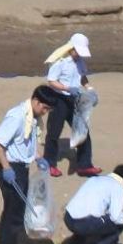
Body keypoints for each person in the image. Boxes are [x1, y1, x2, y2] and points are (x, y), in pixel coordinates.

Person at [0, 85, 61, 244]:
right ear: (36, 101)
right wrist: (6, 168)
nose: (45, 113)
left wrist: (38, 157)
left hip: (22, 168)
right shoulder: (18, 116)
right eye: (45, 108)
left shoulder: (33, 118)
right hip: (12, 170)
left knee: (10, 214)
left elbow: (27, 142)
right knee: (15, 219)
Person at [43, 34, 101, 177]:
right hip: (59, 99)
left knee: (82, 132)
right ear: (72, 48)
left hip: (75, 100)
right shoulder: (60, 61)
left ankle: (84, 165)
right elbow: (51, 81)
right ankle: (49, 163)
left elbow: (82, 77)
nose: (79, 54)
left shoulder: (80, 62)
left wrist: (90, 89)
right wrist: (67, 88)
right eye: (78, 51)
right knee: (54, 132)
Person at [63, 164, 123, 244]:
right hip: (85, 224)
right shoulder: (118, 187)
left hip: (69, 218)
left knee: (90, 217)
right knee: (118, 223)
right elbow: (116, 217)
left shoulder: (95, 179)